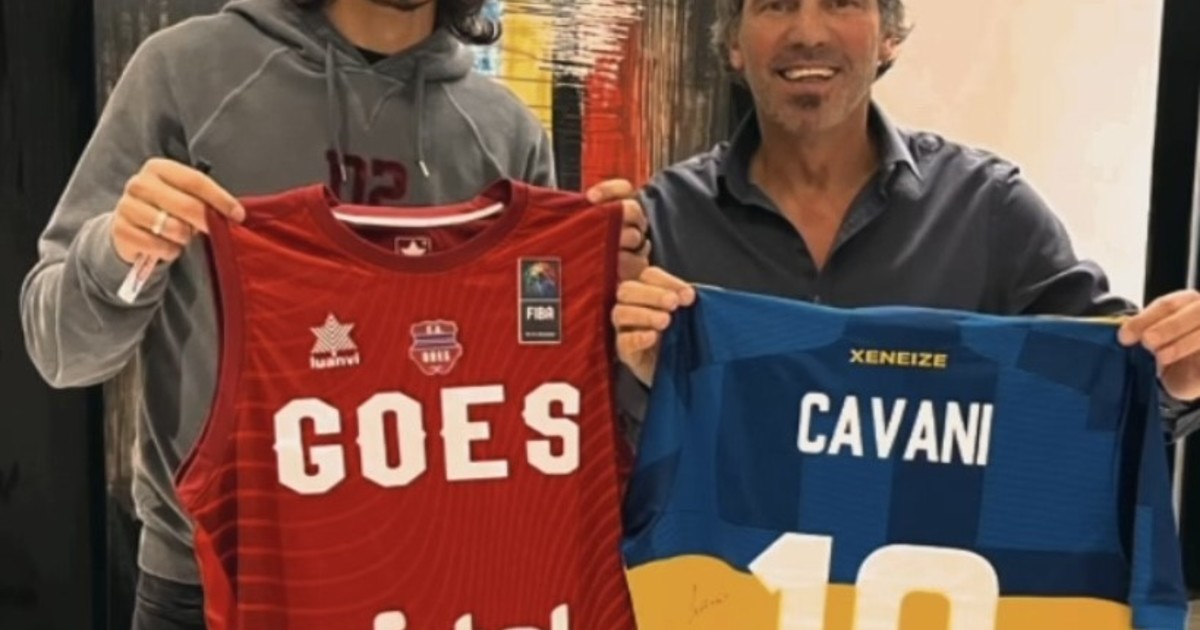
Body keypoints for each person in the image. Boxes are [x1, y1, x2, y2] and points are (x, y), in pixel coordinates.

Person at [18, 0, 648, 628]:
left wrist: (611, 311)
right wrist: (121, 252)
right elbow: (63, 353)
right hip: (212, 578)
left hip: (441, 579)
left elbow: (540, 392)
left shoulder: (506, 131)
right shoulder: (186, 74)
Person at [611, 0, 1200, 439]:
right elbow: (600, 446)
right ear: (734, 44)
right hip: (720, 573)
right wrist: (635, 363)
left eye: (841, 2)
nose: (808, 32)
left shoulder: (987, 208)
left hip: (942, 570)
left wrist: (1178, 377)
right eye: (776, 4)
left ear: (888, 37)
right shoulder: (662, 223)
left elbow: (1110, 393)